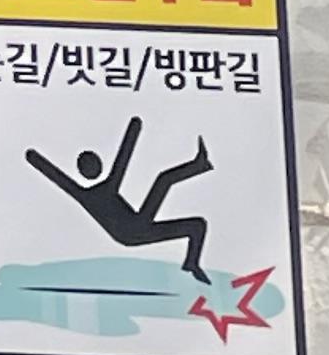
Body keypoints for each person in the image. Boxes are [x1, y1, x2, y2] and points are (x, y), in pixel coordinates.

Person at [25, 115, 213, 286]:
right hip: (135, 227)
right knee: (163, 180)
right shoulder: (94, 192)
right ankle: (200, 164)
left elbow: (120, 160)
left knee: (196, 226)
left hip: (131, 231)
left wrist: (34, 158)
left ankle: (191, 263)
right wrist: (134, 128)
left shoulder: (86, 194)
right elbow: (122, 159)